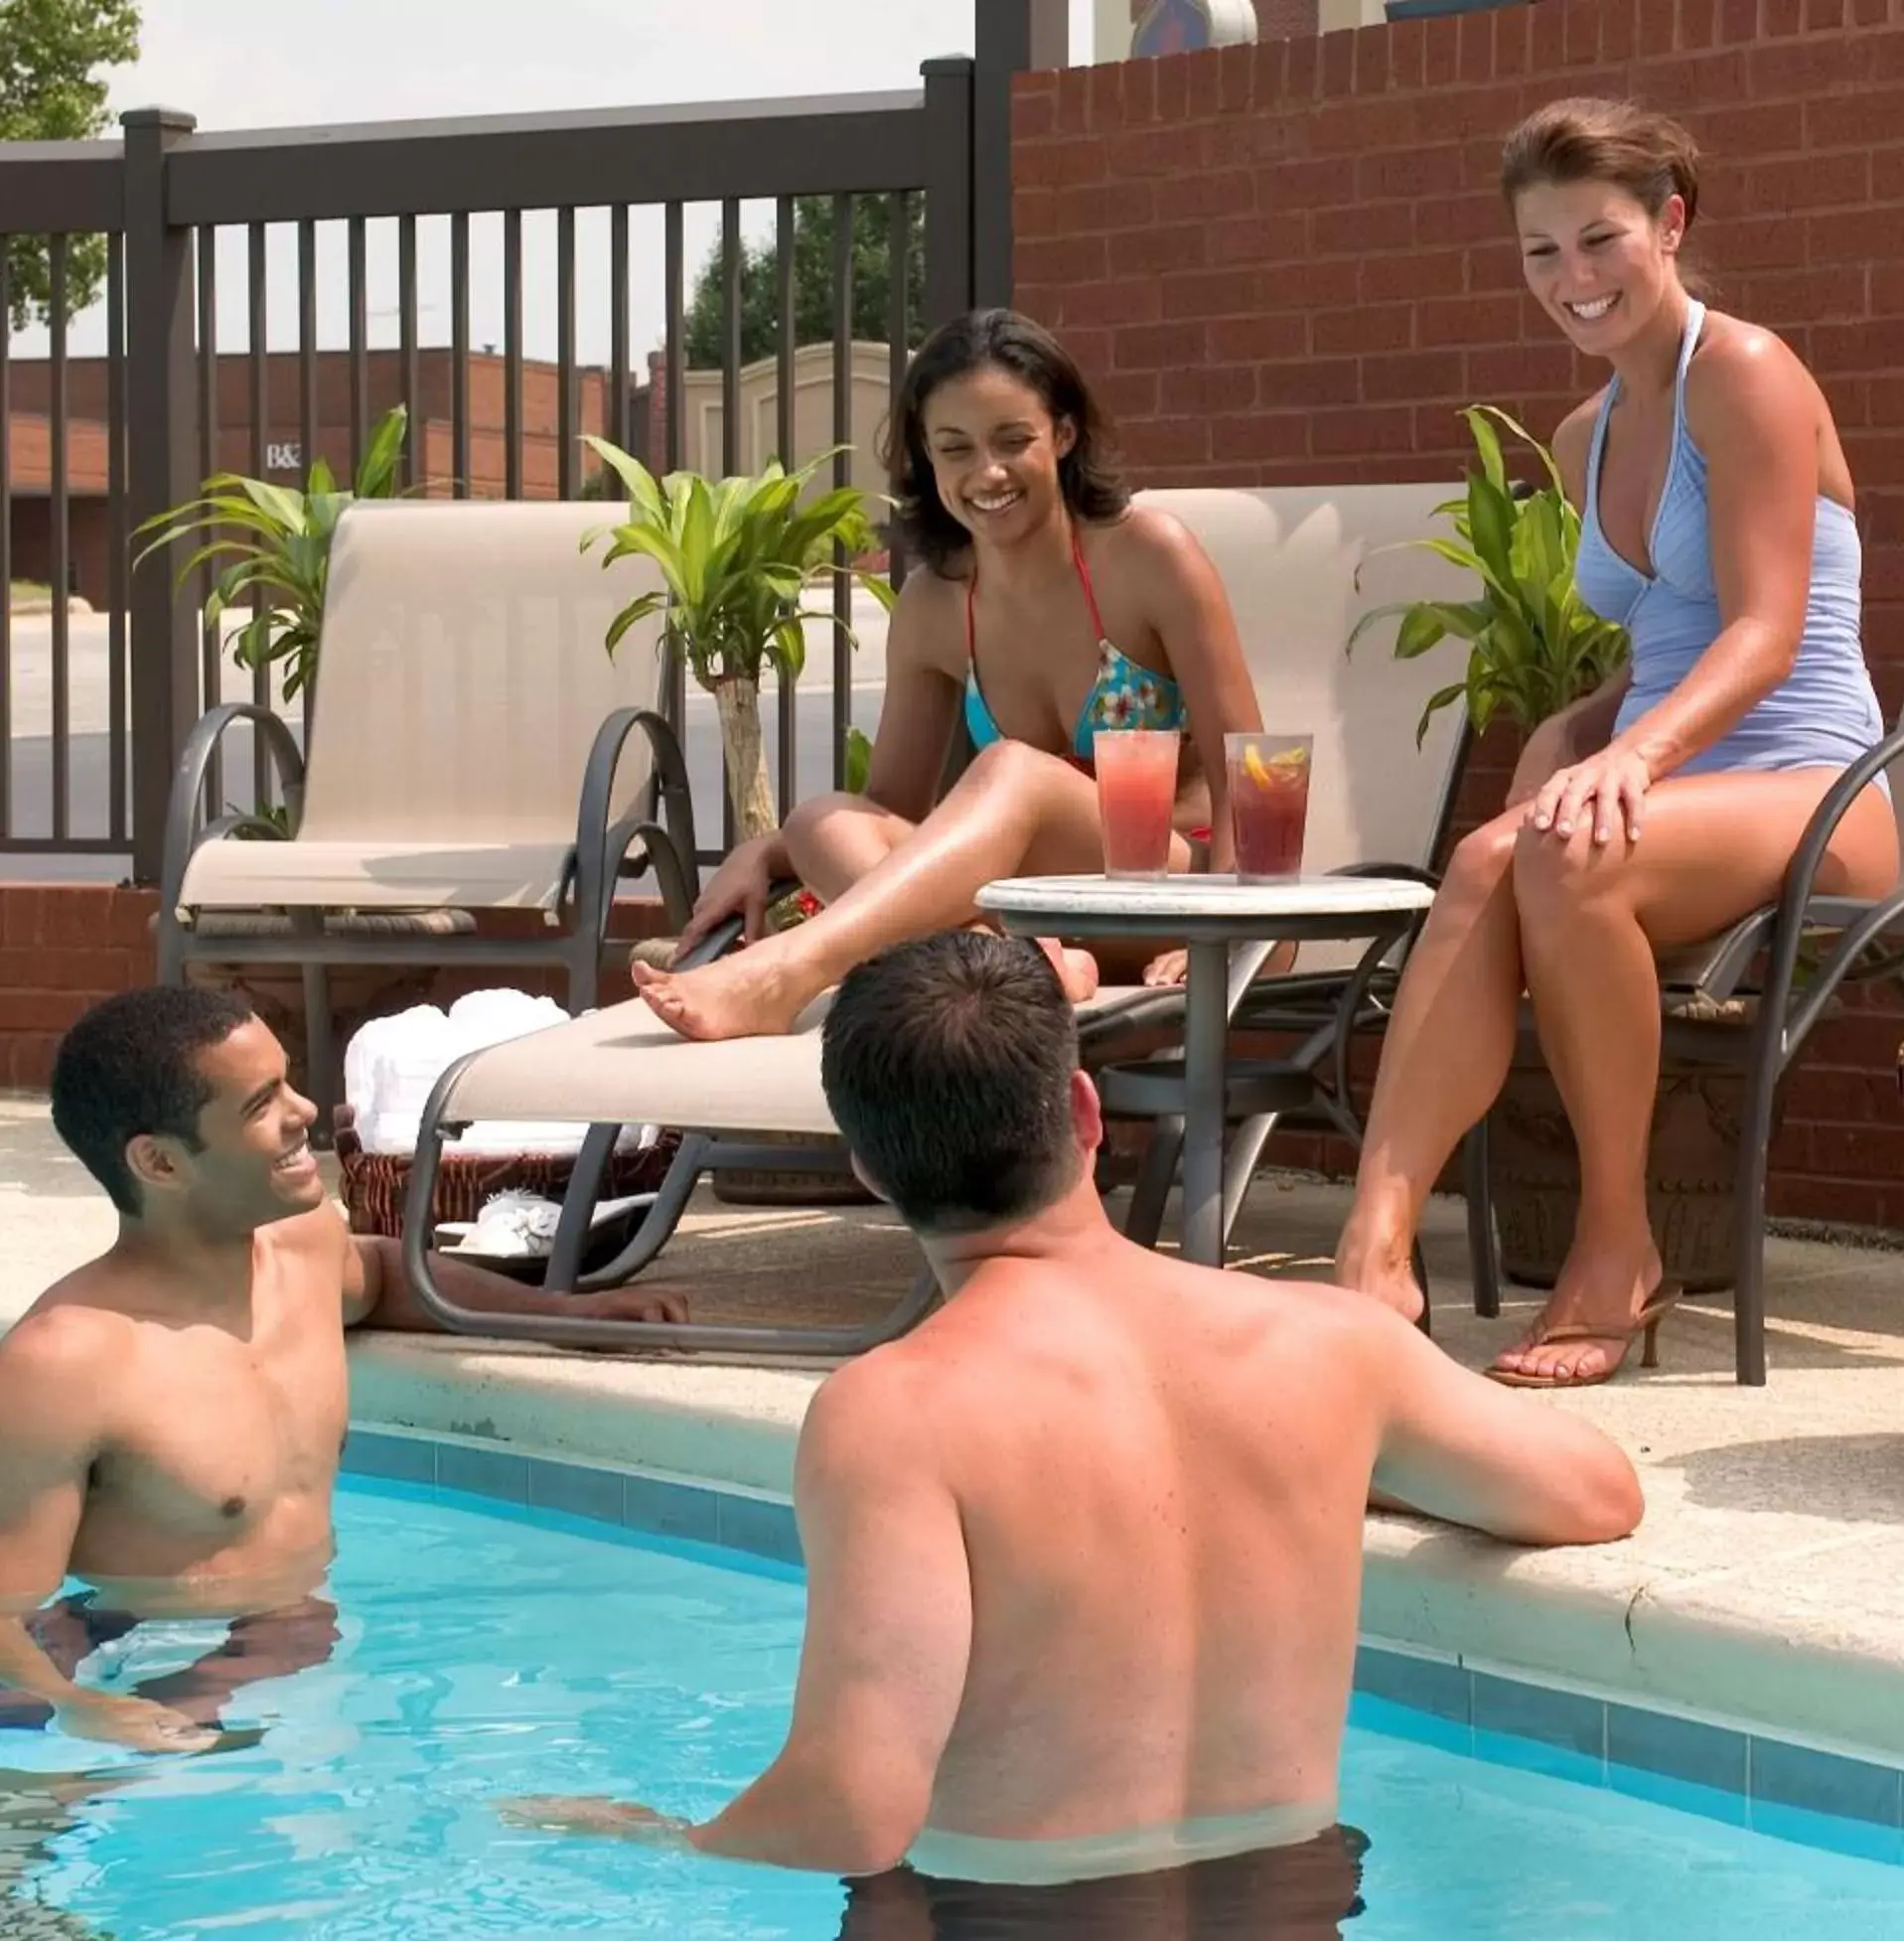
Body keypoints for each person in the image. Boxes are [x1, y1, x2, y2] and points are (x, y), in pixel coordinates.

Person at [503, 931, 1642, 1928]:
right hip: (1295, 1904)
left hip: (1009, 1920)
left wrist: (659, 1836)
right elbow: (1597, 1493)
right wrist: (1353, 1458)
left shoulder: (895, 1414)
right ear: (1086, 1113)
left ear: (865, 1165)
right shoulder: (1333, 1349)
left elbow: (853, 1806)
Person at [1329, 97, 1901, 1387]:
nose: (1574, 280)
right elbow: (1650, 647)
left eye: (1600, 240)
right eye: (1542, 253)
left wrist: (1630, 762)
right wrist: (1575, 733)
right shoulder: (1588, 435)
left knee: (1565, 860)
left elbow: (1761, 630)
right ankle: (1374, 1247)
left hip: (1812, 791)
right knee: (1485, 860)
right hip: (1661, 805)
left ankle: (1615, 1246)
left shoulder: (1748, 372)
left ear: (1671, 225)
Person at [0, 986, 689, 1754]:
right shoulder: (69, 1363)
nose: (306, 1110)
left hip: (283, 1639)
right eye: (262, 1103)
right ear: (160, 1161)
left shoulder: (304, 1248)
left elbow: (384, 1273)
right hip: (130, 1654)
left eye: (288, 1079)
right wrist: (84, 1715)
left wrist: (563, 1315)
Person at [631, 308, 1268, 1043]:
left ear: (1062, 435)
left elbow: (1249, 778)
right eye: (954, 448)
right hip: (1035, 922)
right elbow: (891, 817)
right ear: (926, 460)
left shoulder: (1148, 556)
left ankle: (790, 970)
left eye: (1012, 440)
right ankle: (1001, 959)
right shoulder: (935, 606)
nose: (986, 473)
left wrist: (1223, 934)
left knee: (1013, 772)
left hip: (1169, 905)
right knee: (820, 820)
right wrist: (775, 846)